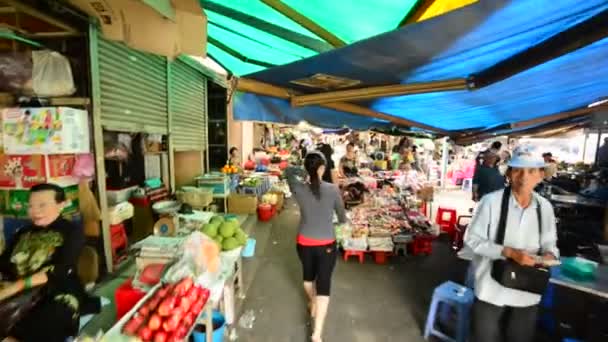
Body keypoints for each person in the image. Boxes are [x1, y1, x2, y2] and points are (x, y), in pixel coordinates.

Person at [464, 146, 559, 342]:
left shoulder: (545, 208)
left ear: (540, 175)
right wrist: (508, 252)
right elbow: (472, 240)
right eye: (518, 170)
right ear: (508, 173)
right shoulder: (490, 202)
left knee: (520, 337)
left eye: (531, 171)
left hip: (528, 290)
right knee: (485, 337)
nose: (524, 177)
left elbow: (550, 242)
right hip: (492, 288)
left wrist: (550, 254)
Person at [0, 183, 99, 342]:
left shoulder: (71, 231)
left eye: (42, 205)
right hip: (17, 294)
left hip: (57, 291)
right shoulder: (22, 233)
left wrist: (11, 289)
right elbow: (4, 264)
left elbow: (59, 270)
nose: (35, 210)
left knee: (44, 323)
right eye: (31, 205)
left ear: (61, 205)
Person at [285, 152, 347, 342]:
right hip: (326, 243)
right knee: (324, 286)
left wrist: (303, 171)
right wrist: (335, 221)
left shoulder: (298, 188)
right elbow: (342, 217)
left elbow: (287, 170)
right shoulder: (333, 189)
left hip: (304, 242)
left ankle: (311, 301)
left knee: (308, 279)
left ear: (307, 168)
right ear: (322, 168)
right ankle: (317, 334)